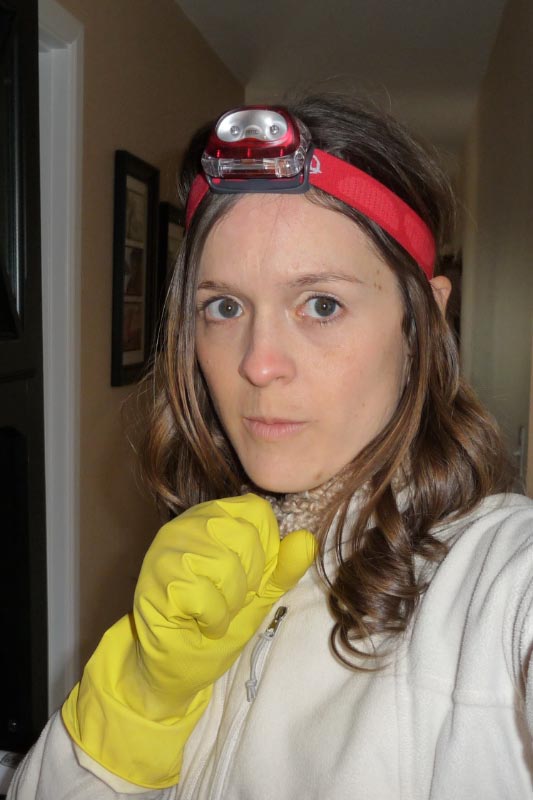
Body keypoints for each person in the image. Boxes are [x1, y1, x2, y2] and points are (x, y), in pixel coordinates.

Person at [8, 95, 533, 799]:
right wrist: (140, 695)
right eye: (224, 307)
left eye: (321, 305)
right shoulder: (201, 569)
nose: (257, 364)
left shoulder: (491, 580)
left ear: (423, 321)